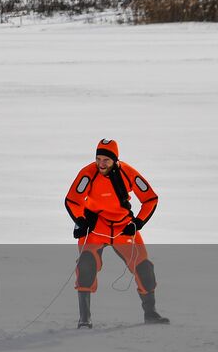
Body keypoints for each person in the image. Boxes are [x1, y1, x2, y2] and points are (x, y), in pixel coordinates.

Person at [63, 138, 169, 328]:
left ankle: (151, 314)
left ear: (115, 160)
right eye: (98, 159)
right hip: (96, 228)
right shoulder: (88, 174)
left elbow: (150, 198)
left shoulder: (128, 173)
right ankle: (84, 319)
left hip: (123, 228)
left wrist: (138, 222)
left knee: (144, 268)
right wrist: (80, 221)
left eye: (106, 160)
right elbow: (72, 200)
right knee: (86, 266)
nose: (101, 164)